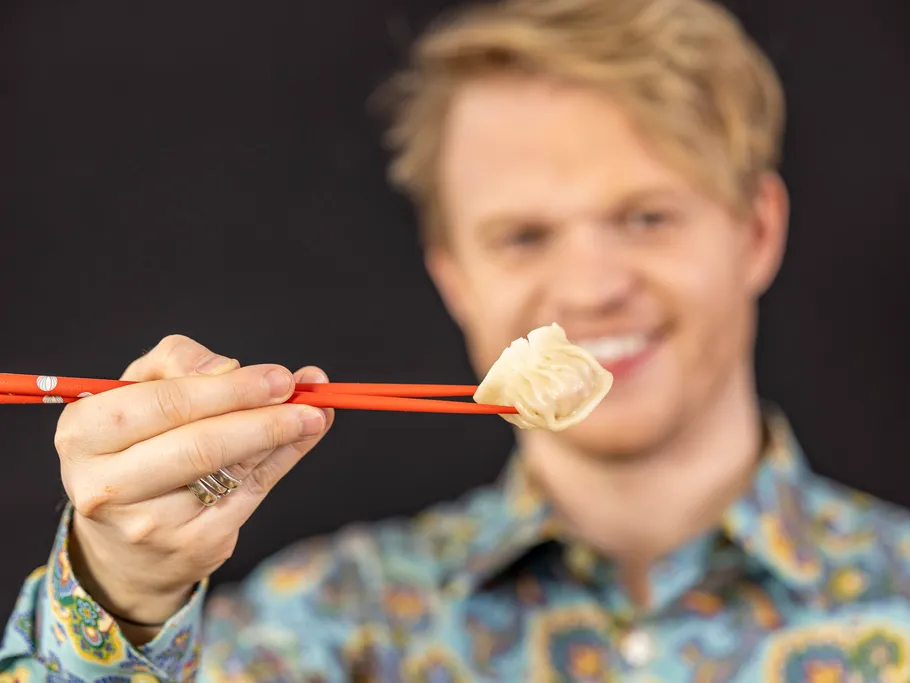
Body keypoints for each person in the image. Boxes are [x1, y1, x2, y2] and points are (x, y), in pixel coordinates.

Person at [4, 0, 910, 680]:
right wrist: (123, 588)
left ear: (755, 231)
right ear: (454, 275)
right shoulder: (330, 619)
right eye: (523, 236)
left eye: (646, 216)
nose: (593, 286)